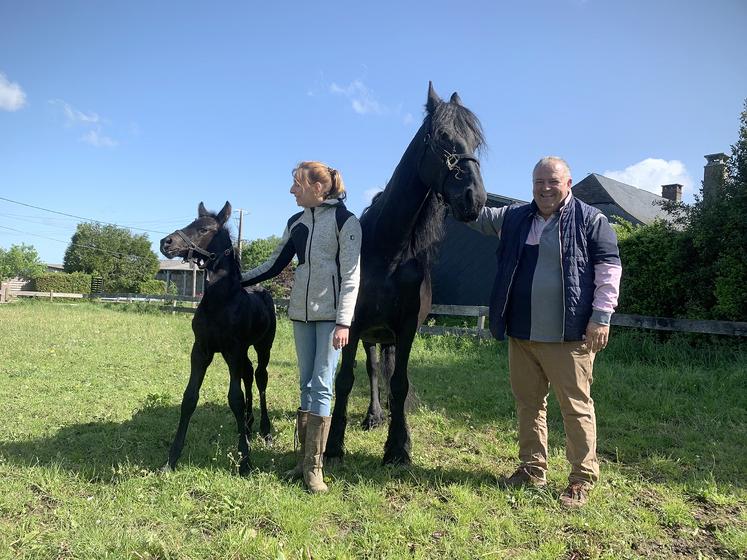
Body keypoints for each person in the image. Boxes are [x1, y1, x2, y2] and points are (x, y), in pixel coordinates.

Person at [468, 156, 622, 508]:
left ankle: (582, 479)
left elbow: (609, 270)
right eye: (539, 181)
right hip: (521, 333)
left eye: (552, 181)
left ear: (568, 183)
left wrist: (601, 317)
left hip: (569, 336)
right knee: (528, 405)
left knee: (576, 407)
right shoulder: (516, 217)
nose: (545, 188)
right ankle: (532, 468)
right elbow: (474, 214)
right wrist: (447, 187)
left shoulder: (591, 219)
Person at [241, 161, 361, 494]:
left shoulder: (346, 222)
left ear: (317, 188)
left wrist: (343, 321)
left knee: (323, 384)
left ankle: (314, 470)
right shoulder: (295, 223)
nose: (292, 190)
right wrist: (234, 281)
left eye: (297, 184)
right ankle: (301, 461)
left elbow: (352, 276)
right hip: (301, 315)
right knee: (306, 384)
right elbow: (274, 263)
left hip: (331, 318)